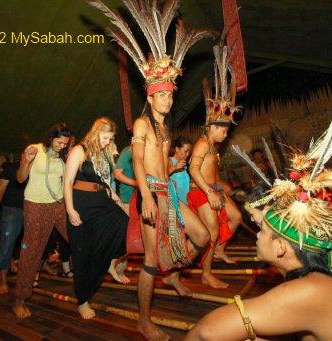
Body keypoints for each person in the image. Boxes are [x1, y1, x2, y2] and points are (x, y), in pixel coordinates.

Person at [92, 1, 214, 339]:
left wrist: (175, 165)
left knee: (202, 236)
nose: (167, 99)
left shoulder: (167, 130)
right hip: (150, 196)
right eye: (161, 94)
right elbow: (143, 163)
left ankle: (172, 270)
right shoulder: (143, 126)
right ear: (150, 93)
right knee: (148, 261)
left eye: (171, 95)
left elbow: (161, 162)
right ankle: (144, 321)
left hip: (167, 194)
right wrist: (145, 196)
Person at [186, 154, 332, 341]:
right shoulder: (328, 272)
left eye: (263, 230)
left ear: (281, 247)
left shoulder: (310, 291)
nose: (257, 235)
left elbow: (205, 332)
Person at [64, 117, 130, 320]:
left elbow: (106, 185)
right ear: (95, 132)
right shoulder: (79, 150)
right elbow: (67, 183)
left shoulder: (102, 154)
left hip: (102, 201)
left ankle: (110, 262)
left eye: (110, 139)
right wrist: (70, 210)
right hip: (82, 205)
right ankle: (82, 300)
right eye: (105, 137)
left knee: (125, 225)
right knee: (83, 254)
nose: (107, 142)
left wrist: (120, 203)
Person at [187, 39, 243, 282]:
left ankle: (219, 250)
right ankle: (206, 273)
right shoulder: (202, 143)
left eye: (227, 131)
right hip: (199, 191)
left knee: (236, 217)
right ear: (211, 127)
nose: (225, 133)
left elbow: (210, 171)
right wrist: (209, 190)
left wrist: (220, 184)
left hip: (212, 189)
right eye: (222, 130)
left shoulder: (213, 146)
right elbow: (193, 168)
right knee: (210, 231)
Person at [13, 123, 71, 319]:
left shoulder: (64, 156)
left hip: (58, 205)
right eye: (59, 142)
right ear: (50, 137)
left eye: (65, 143)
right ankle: (20, 299)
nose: (61, 146)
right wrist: (27, 162)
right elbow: (20, 179)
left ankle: (88, 283)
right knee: (31, 252)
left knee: (79, 237)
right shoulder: (34, 149)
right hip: (35, 205)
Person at [0, 160, 26, 294]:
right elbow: (0, 189)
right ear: (22, 155)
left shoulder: (37, 169)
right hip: (11, 210)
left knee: (27, 245)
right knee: (7, 244)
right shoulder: (11, 169)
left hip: (31, 210)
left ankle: (25, 277)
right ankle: (3, 280)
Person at [169, 136, 192, 205]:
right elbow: (161, 175)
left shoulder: (184, 165)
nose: (187, 154)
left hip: (185, 202)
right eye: (185, 151)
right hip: (175, 203)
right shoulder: (170, 160)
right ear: (177, 149)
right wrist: (174, 167)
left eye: (189, 152)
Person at [114, 145, 137, 213]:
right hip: (128, 198)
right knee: (128, 222)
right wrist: (138, 183)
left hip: (139, 196)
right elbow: (117, 174)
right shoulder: (127, 152)